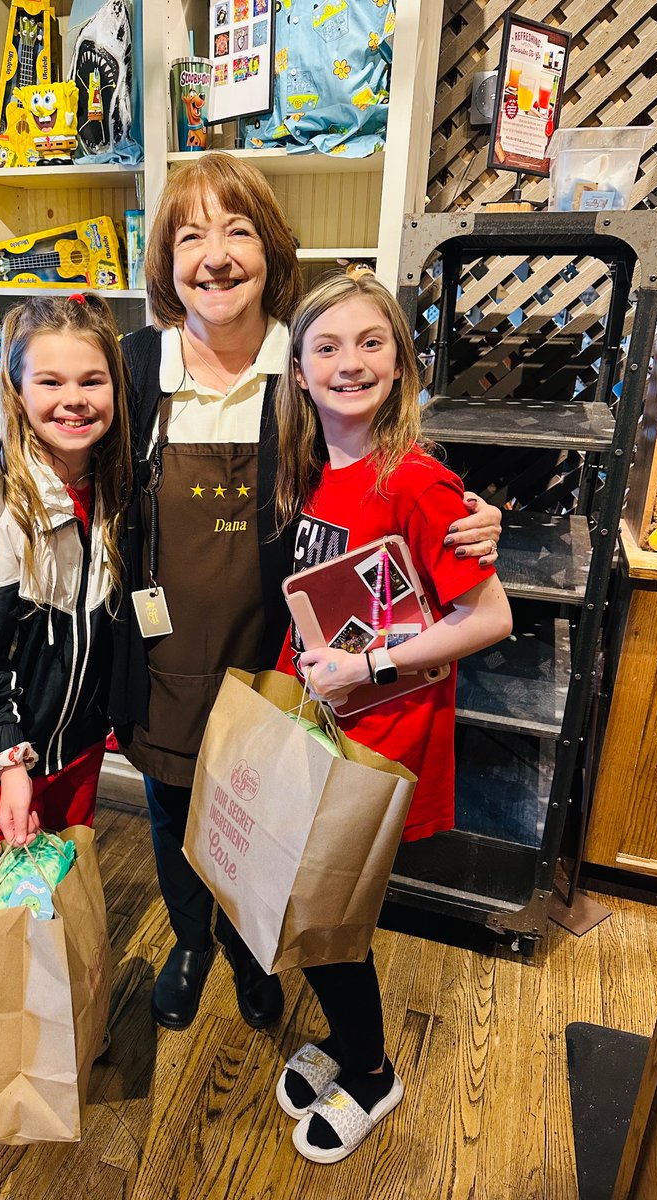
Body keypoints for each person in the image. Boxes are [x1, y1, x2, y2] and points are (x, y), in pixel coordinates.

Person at [110, 151, 503, 1032]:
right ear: (167, 261)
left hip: (280, 658)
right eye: (190, 235)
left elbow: (386, 472)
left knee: (262, 817)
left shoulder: (309, 358)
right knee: (172, 808)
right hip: (164, 649)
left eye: (238, 231)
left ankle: (255, 945)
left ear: (272, 250)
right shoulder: (135, 365)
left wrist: (475, 518)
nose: (214, 255)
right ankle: (189, 942)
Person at [271, 272, 513, 1163]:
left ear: (403, 360)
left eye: (372, 342)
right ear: (298, 371)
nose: (349, 362)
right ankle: (347, 1042)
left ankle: (371, 1073)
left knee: (334, 918)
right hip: (325, 731)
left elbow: (489, 618)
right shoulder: (311, 469)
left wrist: (368, 664)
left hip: (383, 741)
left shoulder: (413, 478)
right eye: (326, 346)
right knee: (321, 910)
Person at [0, 295, 132, 875]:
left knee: (65, 890)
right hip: (16, 756)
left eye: (92, 380)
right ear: (17, 392)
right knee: (14, 914)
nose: (74, 400)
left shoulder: (115, 486)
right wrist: (11, 765)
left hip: (82, 744)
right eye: (50, 381)